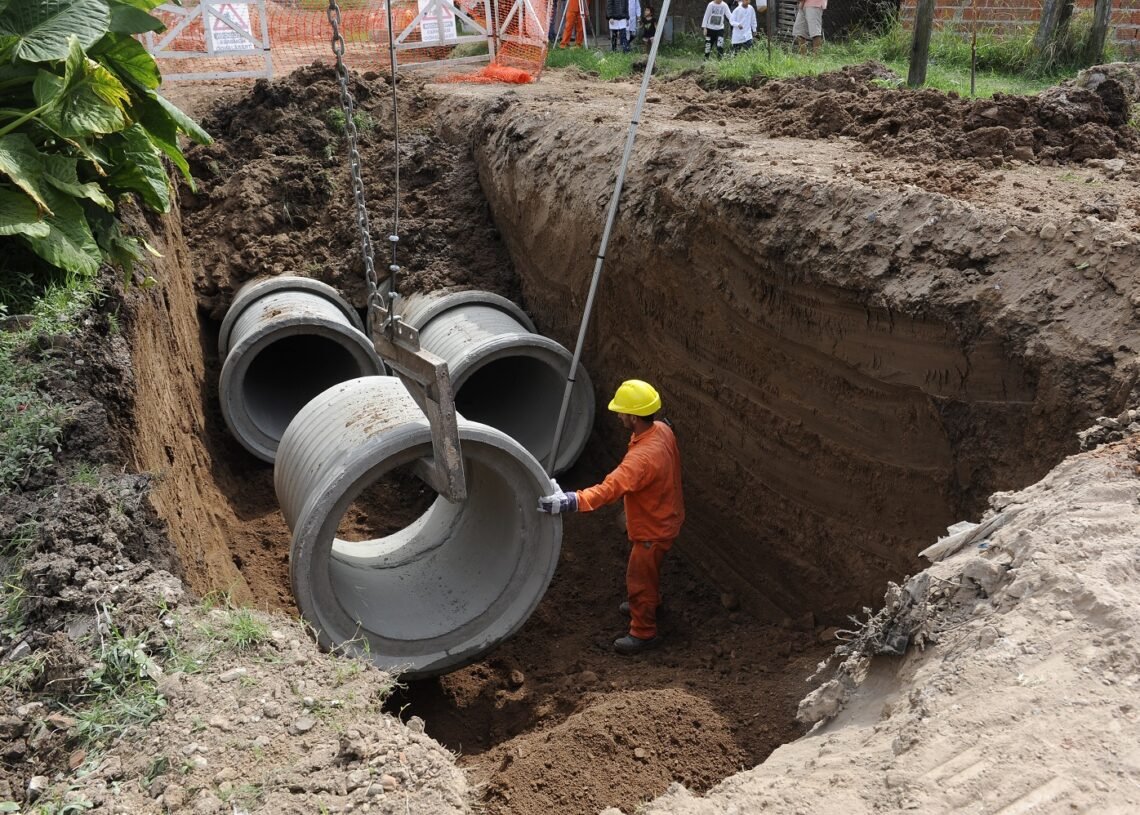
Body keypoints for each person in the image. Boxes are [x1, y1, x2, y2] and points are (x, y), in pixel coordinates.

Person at [538, 380, 684, 655]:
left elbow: (609, 489)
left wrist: (571, 501)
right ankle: (651, 602)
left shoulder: (640, 459)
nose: (618, 416)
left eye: (621, 412)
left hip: (652, 530)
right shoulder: (662, 431)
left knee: (638, 580)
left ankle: (644, 633)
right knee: (648, 571)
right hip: (667, 516)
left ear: (633, 417)